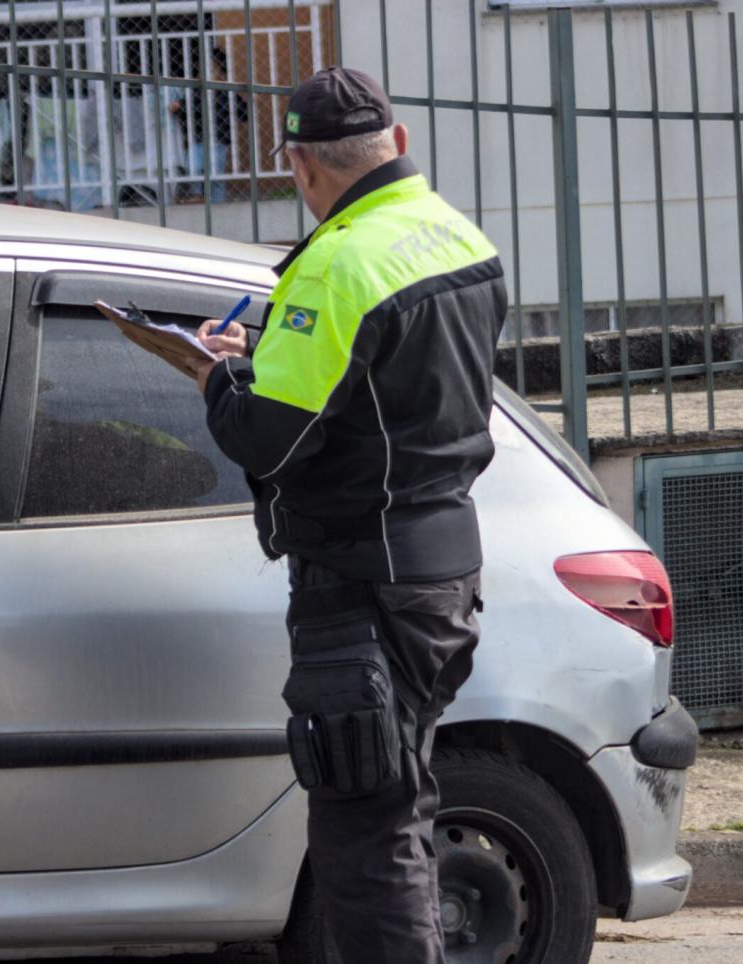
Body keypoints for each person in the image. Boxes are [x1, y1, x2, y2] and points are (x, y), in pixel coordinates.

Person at [187, 67, 507, 963]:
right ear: (396, 144)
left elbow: (266, 440)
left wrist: (218, 375)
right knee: (398, 806)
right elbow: (387, 395)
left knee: (367, 837)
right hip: (442, 569)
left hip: (362, 586)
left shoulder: (335, 263)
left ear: (300, 166)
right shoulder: (456, 235)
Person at [167, 46, 248, 202]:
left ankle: (217, 201)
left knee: (216, 174)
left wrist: (242, 107)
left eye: (211, 69)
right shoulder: (197, 92)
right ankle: (197, 194)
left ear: (222, 73)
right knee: (193, 167)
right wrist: (178, 107)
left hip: (219, 140)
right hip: (198, 138)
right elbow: (189, 107)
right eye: (202, 69)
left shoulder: (227, 92)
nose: (205, 72)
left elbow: (243, 113)